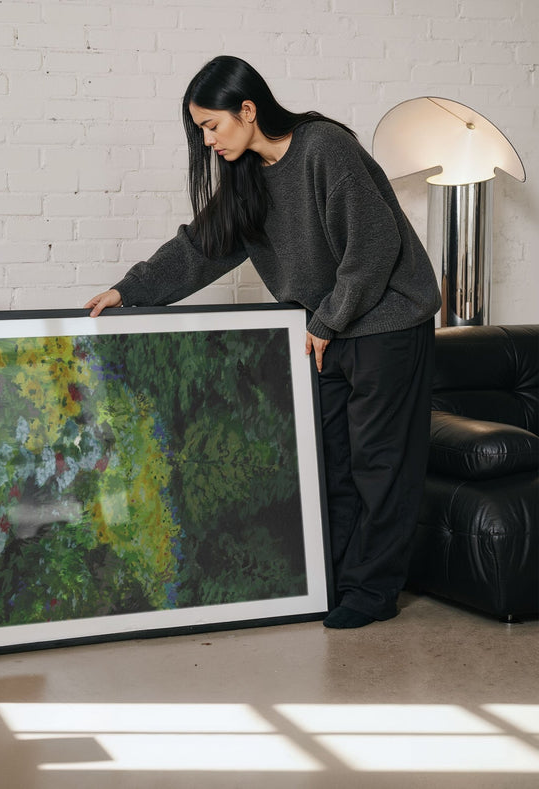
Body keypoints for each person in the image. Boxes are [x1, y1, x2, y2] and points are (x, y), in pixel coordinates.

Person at [85, 55, 442, 629]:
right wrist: (130, 290)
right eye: (200, 130)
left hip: (386, 320)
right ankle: (337, 582)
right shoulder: (248, 174)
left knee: (381, 464)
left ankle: (372, 593)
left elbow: (373, 246)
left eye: (212, 126)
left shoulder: (324, 148)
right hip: (327, 328)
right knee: (332, 463)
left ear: (247, 110)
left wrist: (327, 321)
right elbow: (202, 246)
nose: (207, 142)